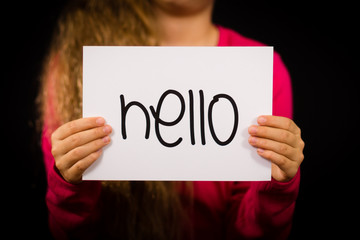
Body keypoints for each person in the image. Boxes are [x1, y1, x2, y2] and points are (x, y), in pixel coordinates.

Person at [38, 0, 305, 239]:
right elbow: (71, 230)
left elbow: (252, 230)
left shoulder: (263, 71)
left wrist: (276, 188)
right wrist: (70, 184)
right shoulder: (78, 62)